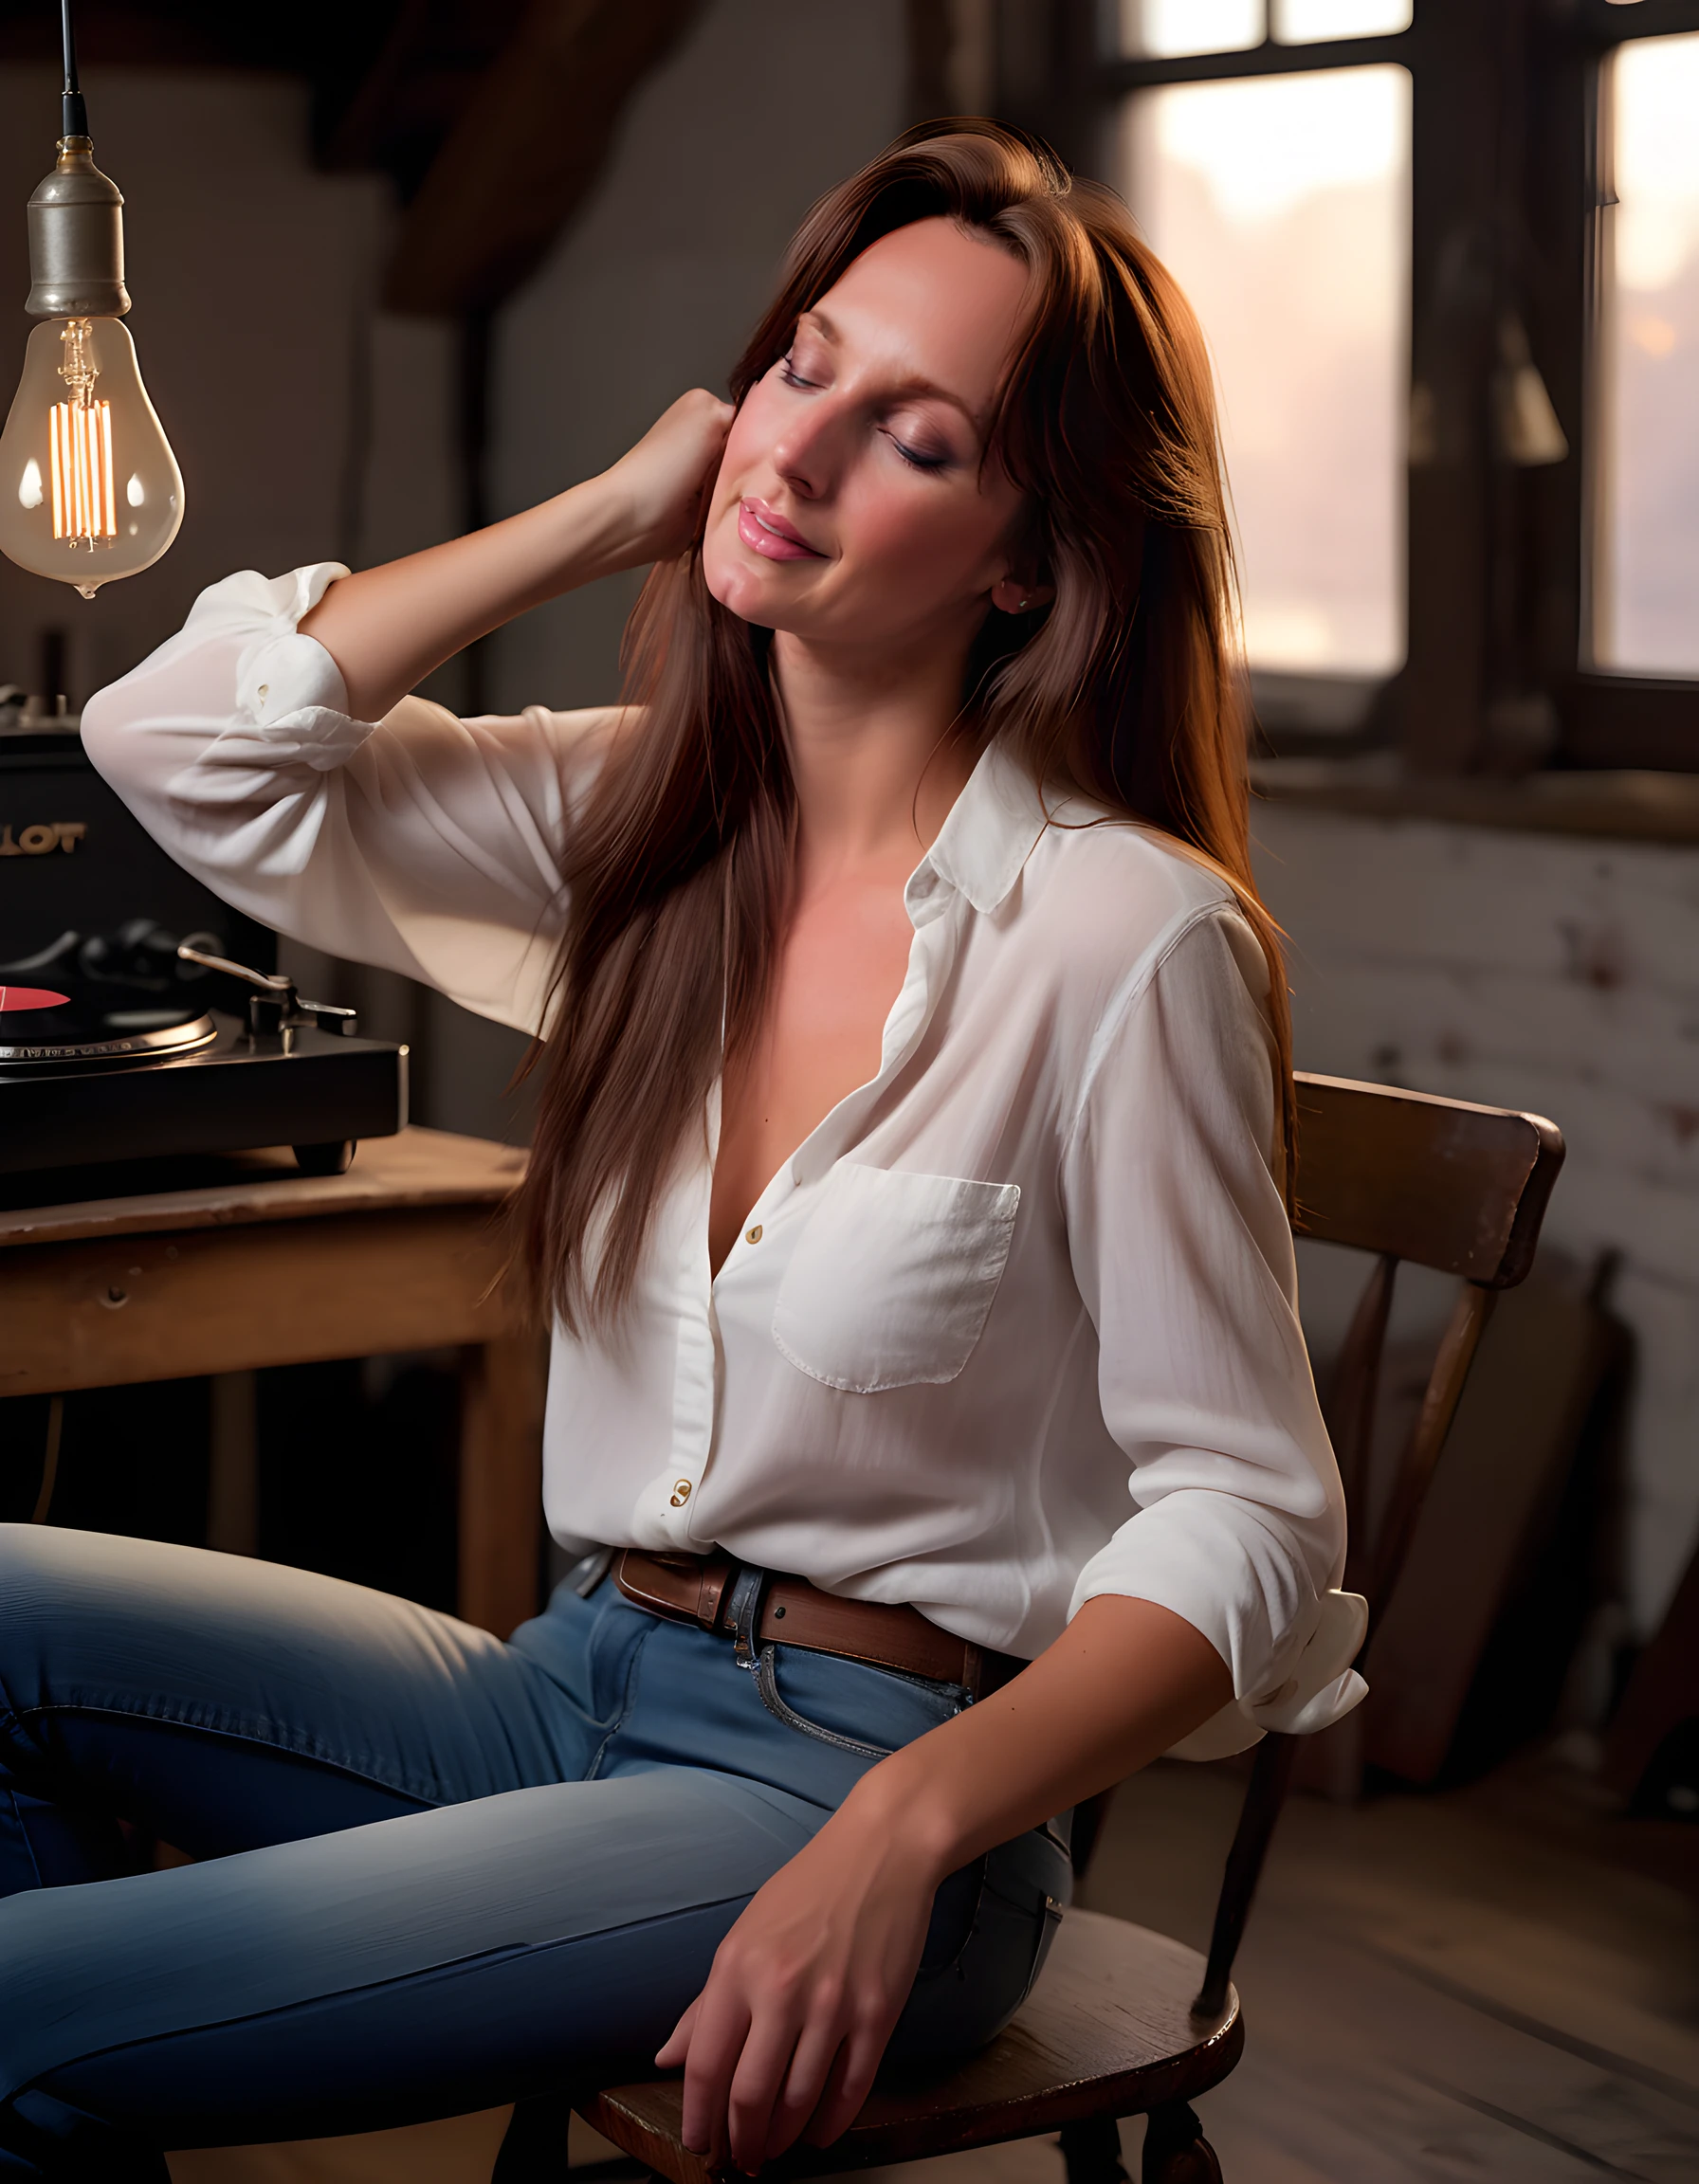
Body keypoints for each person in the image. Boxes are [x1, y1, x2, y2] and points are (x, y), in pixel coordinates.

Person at [0, 123, 1365, 2180]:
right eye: (802, 369)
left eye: (912, 435)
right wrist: (614, 513)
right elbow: (171, 745)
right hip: (572, 1682)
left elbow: (1247, 1520)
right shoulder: (635, 828)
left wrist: (901, 1834)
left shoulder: (1122, 938)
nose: (796, 461)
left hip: (871, 1784)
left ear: (1026, 554)